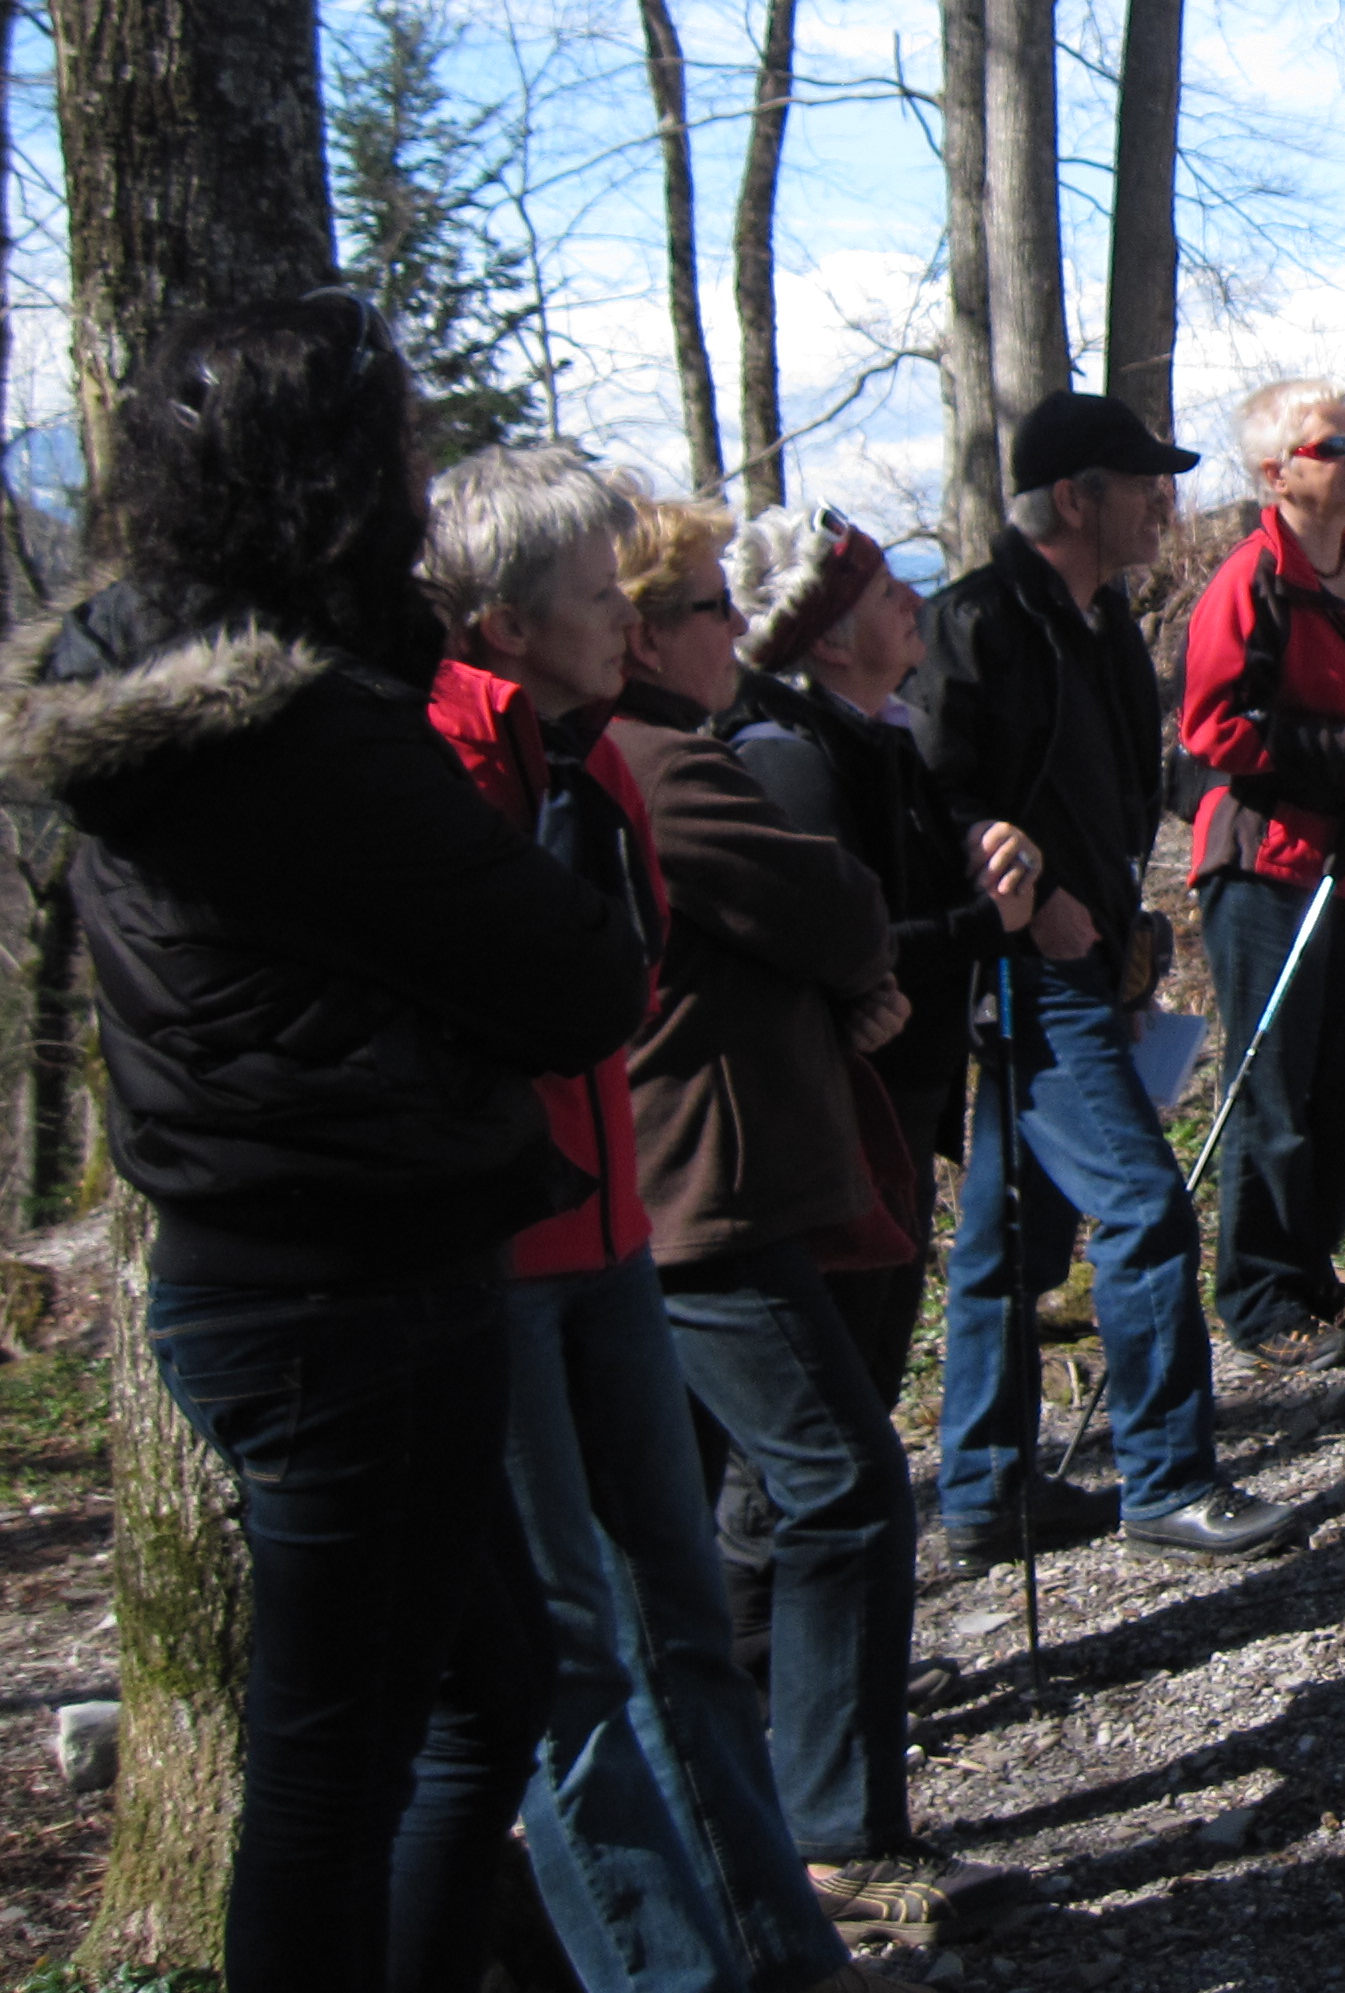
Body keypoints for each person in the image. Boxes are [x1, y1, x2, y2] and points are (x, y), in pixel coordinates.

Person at [0, 295, 642, 1993]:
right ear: (333, 481)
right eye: (395, 455)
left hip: (280, 1277)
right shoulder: (297, 737)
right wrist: (559, 808)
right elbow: (575, 981)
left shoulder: (141, 684)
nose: (418, 491)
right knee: (338, 1763)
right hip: (350, 1295)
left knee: (474, 1696)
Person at [423, 446, 877, 1993]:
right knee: (576, 1656)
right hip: (499, 1264)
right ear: (504, 623)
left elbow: (623, 978)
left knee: (678, 1622)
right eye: (594, 594)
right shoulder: (433, 770)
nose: (628, 620)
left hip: (612, 1240)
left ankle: (781, 1949)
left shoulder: (596, 760)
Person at [599, 491, 997, 1943]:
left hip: (691, 1184)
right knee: (836, 1484)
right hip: (709, 1192)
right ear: (648, 636)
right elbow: (836, 907)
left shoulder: (662, 757)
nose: (737, 633)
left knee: (701, 1520)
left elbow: (829, 923)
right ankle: (830, 1836)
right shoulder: (677, 767)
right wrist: (861, 960)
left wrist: (854, 966)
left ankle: (758, 1841)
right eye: (714, 610)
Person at [919, 391, 1295, 1562]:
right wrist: (1025, 901)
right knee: (1141, 1206)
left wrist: (1265, 787)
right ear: (1074, 499)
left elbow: (1141, 777)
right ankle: (1168, 1478)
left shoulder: (1105, 620)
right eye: (1140, 484)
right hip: (1024, 974)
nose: (1162, 503)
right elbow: (931, 798)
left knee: (1008, 1239)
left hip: (1095, 963)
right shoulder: (975, 623)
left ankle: (985, 1489)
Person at [726, 507, 1041, 1412]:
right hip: (841, 1126)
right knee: (833, 1407)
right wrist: (989, 921)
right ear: (829, 640)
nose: (913, 600)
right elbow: (854, 952)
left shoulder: (881, 739)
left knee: (868, 1384)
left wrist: (997, 845)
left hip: (895, 1108)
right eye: (883, 590)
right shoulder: (790, 763)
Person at [1176, 378, 1345, 1370]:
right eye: (1333, 446)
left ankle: (1311, 1272)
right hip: (1269, 865)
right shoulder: (1248, 583)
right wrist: (1344, 753)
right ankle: (1260, 1300)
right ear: (1276, 473)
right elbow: (1212, 730)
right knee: (1274, 1090)